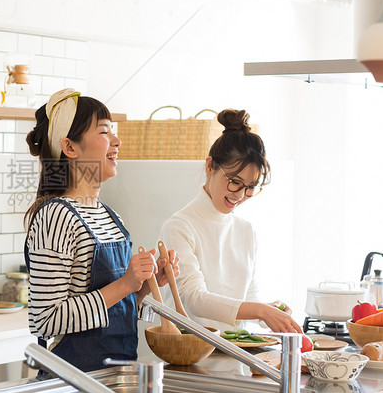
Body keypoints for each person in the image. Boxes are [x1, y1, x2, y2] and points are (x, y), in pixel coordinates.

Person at [24, 89, 180, 372]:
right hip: (72, 383)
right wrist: (124, 284)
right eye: (105, 132)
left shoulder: (111, 217)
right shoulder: (56, 215)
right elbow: (45, 319)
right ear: (70, 148)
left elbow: (117, 309)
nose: (117, 141)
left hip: (115, 376)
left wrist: (143, 285)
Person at [158, 109, 301, 334]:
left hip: (235, 356)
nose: (240, 195)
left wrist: (268, 311)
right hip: (189, 357)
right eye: (235, 182)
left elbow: (249, 298)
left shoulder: (246, 230)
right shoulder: (180, 226)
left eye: (250, 187)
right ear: (209, 166)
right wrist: (261, 311)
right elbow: (194, 298)